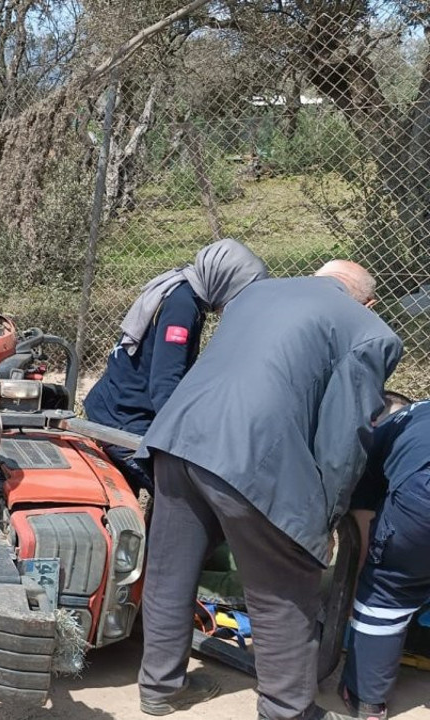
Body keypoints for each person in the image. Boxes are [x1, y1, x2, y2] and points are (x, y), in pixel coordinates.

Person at [131, 259, 403, 720]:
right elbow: (342, 440)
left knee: (169, 571)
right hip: (251, 453)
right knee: (286, 587)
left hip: (176, 437)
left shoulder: (257, 293)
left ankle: (159, 687)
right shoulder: (370, 330)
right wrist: (327, 518)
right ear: (369, 301)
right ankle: (286, 709)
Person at [83, 237, 268, 494]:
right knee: (186, 496)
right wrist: (192, 439)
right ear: (226, 282)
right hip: (124, 420)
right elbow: (164, 384)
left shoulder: (184, 290)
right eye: (241, 292)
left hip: (115, 407)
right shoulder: (182, 307)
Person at [335, 391, 427, 720]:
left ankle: (366, 698)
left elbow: (362, 529)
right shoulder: (422, 414)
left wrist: (362, 581)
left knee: (389, 588)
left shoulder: (377, 439)